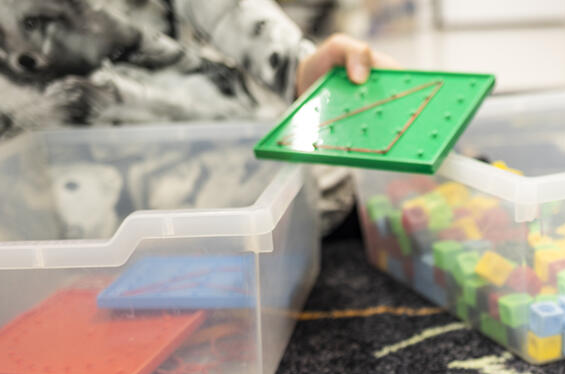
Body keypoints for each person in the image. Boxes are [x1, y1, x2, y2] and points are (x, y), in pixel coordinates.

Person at [0, 0, 397, 235]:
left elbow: (225, 11)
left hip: (214, 168)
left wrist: (296, 65)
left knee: (321, 185)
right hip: (49, 214)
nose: (23, 57)